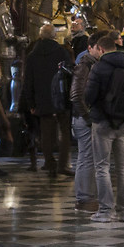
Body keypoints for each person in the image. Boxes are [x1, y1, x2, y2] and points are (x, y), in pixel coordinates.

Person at [89, 30, 124, 222]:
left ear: (100, 49)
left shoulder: (98, 68)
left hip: (103, 122)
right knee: (123, 166)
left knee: (102, 166)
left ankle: (106, 211)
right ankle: (123, 211)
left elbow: (89, 95)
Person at [21, 24, 72, 173]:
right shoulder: (61, 52)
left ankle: (49, 162)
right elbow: (69, 74)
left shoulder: (32, 56)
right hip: (61, 97)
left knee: (46, 133)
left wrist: (31, 102)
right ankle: (63, 165)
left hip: (42, 99)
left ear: (40, 36)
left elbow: (28, 81)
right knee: (65, 132)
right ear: (54, 36)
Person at [70, 32, 101, 211]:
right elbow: (76, 95)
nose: (102, 51)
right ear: (90, 48)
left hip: (85, 117)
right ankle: (85, 198)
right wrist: (88, 117)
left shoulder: (92, 64)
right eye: (99, 48)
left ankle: (87, 196)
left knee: (88, 157)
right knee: (86, 158)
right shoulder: (85, 65)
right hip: (83, 119)